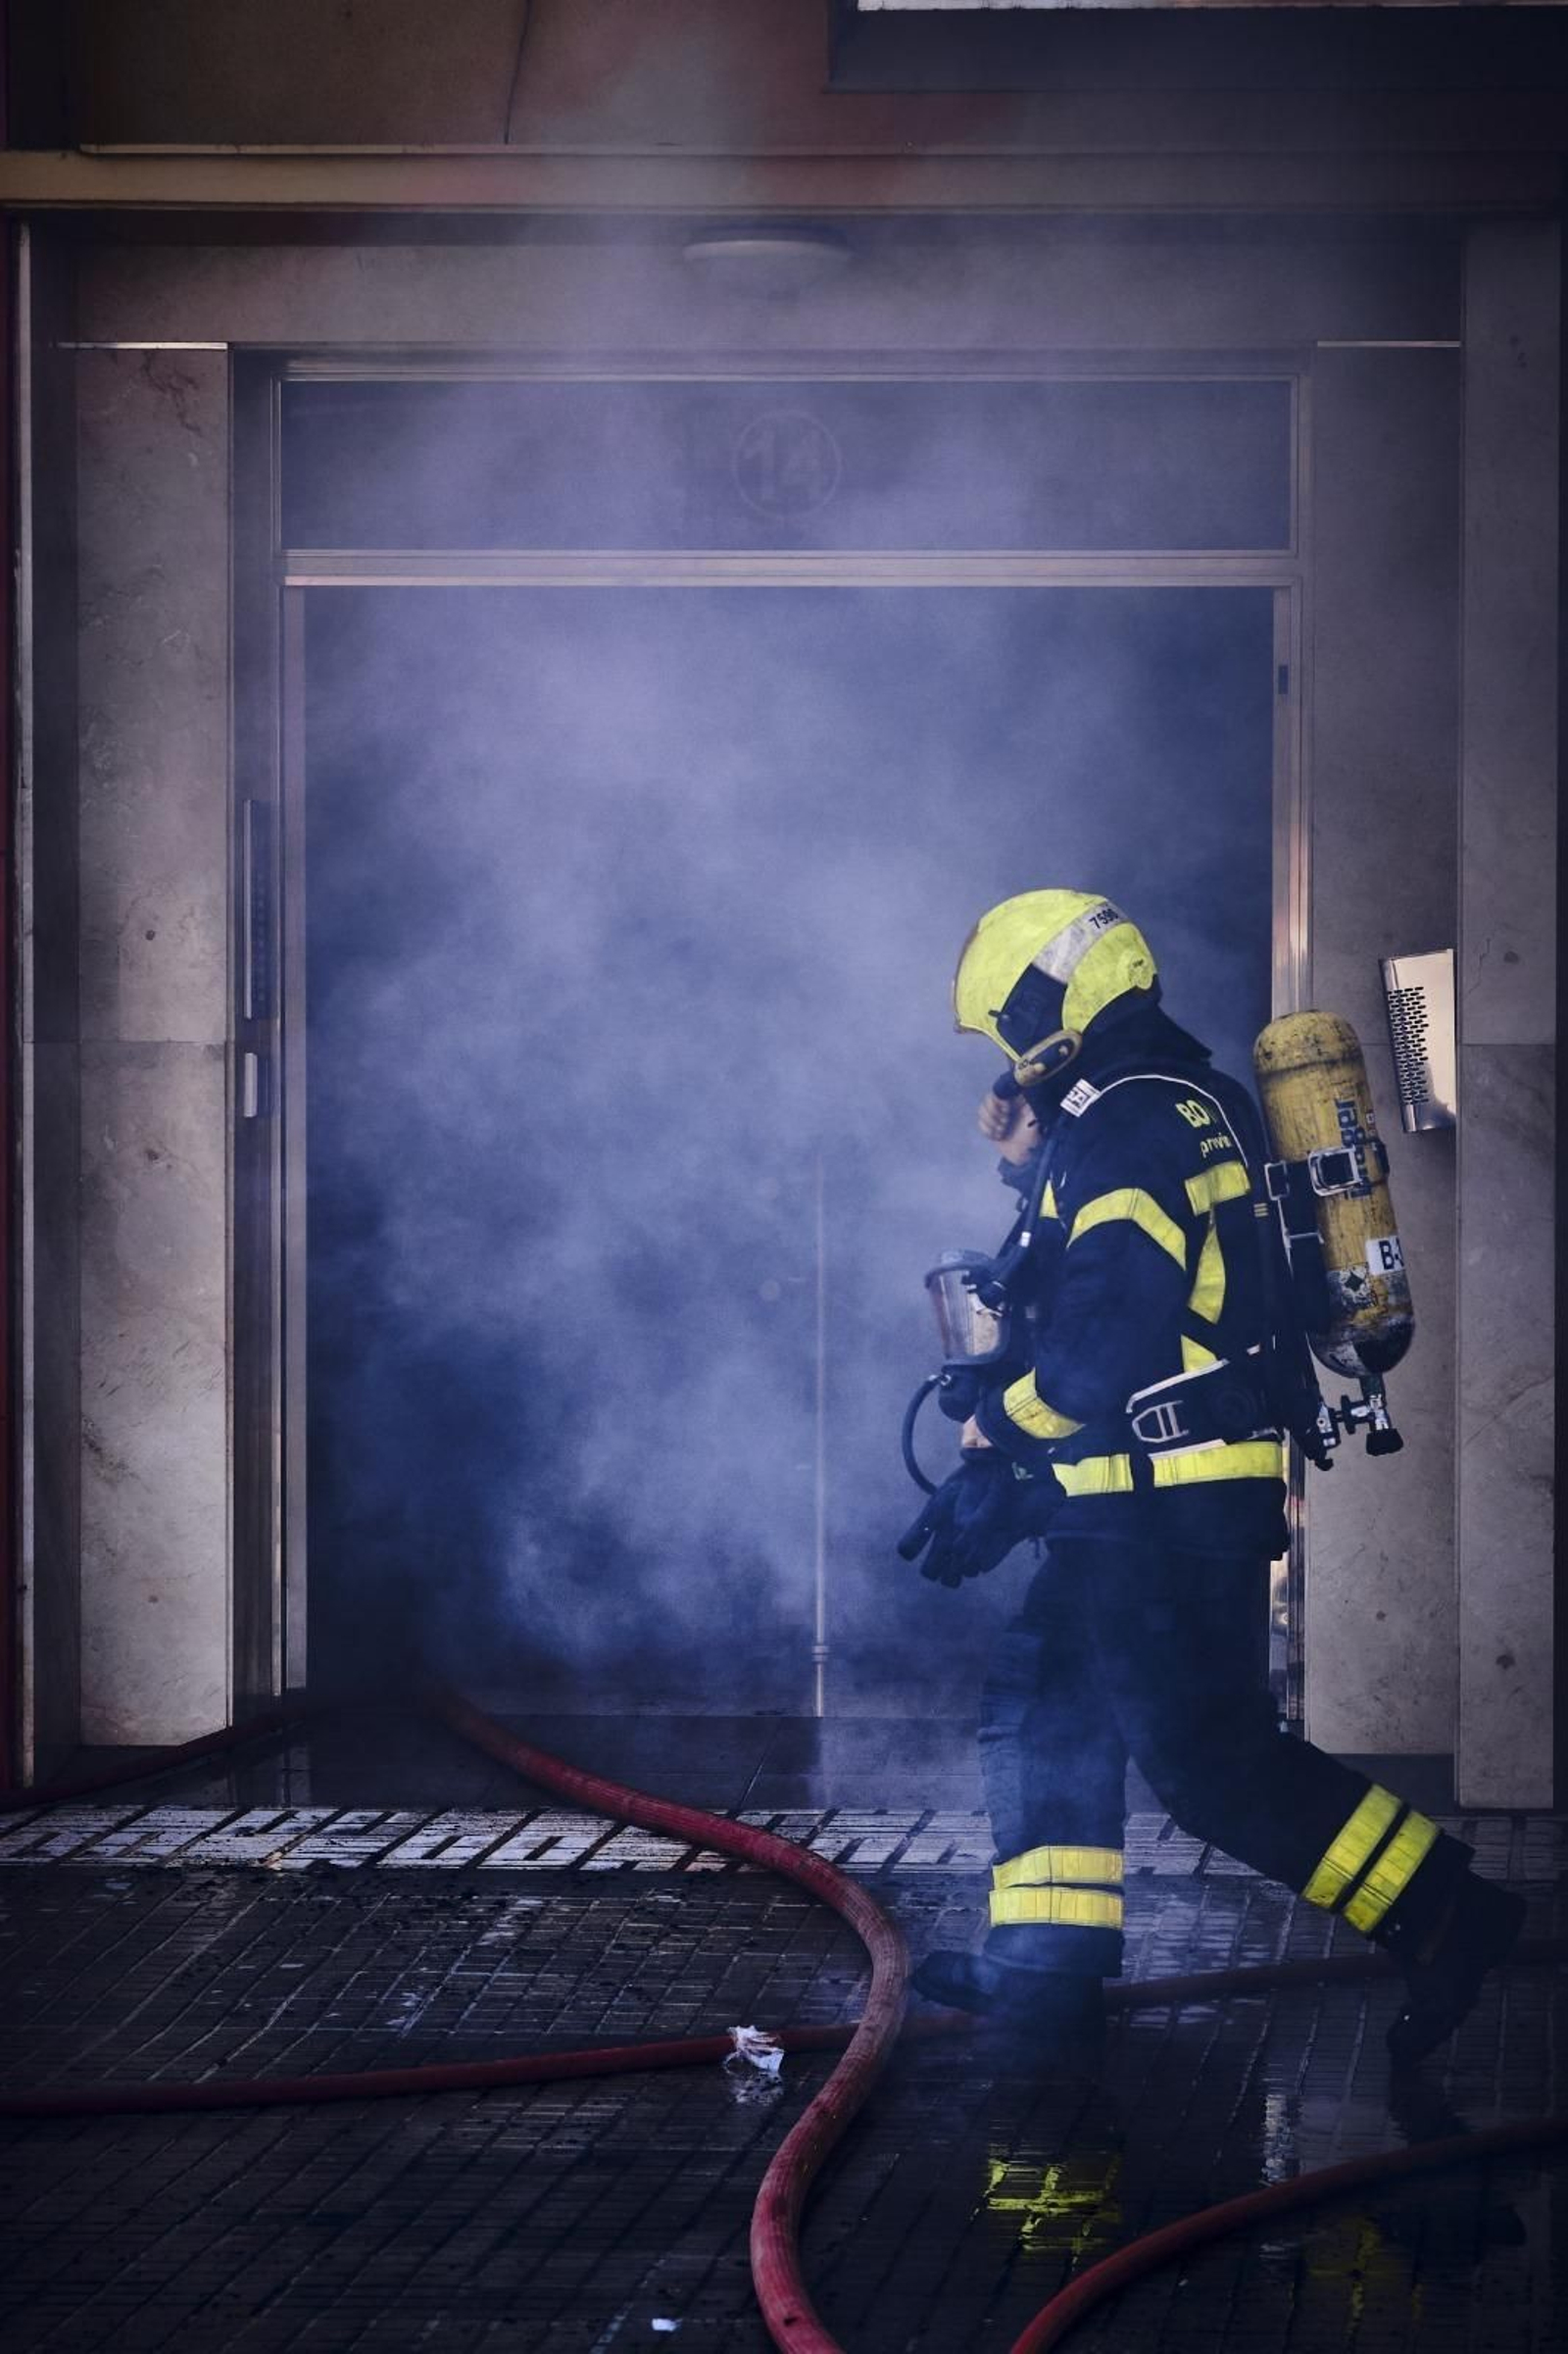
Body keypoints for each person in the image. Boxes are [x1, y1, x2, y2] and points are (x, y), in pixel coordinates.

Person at [904, 888, 1524, 2071]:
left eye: (1009, 1030)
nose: (1007, 1057)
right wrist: (1030, 1153)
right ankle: (1045, 1969)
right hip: (1157, 1496)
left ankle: (1447, 1908)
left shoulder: (1129, 1126)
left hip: (1161, 1505)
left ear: (1051, 1009)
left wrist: (995, 1441)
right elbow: (1103, 1274)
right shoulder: (1184, 1103)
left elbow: (1103, 1337)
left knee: (1209, 1762)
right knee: (1048, 1703)